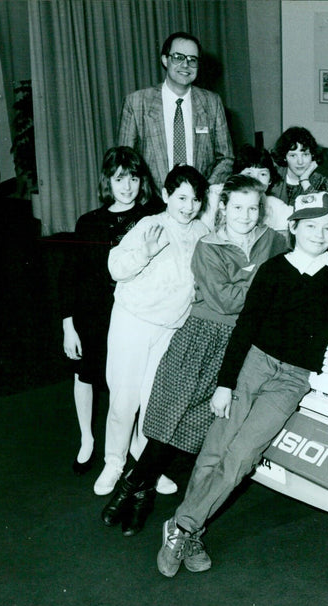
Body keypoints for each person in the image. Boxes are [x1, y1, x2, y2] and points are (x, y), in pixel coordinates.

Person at [155, 191, 328, 577]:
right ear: (294, 227)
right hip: (254, 363)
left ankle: (181, 526)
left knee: (242, 457)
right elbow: (245, 328)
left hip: (293, 379)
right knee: (216, 448)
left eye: (327, 227)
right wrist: (224, 383)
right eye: (311, 226)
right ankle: (194, 531)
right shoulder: (274, 270)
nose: (320, 234)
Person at [99, 174, 286, 536]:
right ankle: (134, 487)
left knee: (196, 425)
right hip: (196, 334)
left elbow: (287, 272)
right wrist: (262, 282)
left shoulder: (272, 241)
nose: (245, 216)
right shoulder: (209, 243)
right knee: (167, 412)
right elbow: (224, 299)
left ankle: (135, 490)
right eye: (237, 208)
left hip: (238, 342)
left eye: (252, 208)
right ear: (224, 209)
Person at [94, 165, 209, 497]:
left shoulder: (203, 231)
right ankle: (114, 462)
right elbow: (116, 267)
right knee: (125, 398)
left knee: (154, 402)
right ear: (166, 195)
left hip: (171, 327)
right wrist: (144, 252)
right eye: (182, 197)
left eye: (196, 199)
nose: (188, 206)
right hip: (134, 320)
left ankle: (146, 467)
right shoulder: (150, 224)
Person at [59, 146, 155, 475]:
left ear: (141, 181)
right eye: (119, 179)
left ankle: (131, 443)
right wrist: (68, 326)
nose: (126, 186)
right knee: (84, 375)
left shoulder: (152, 218)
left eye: (132, 178)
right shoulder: (88, 222)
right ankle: (87, 439)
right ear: (108, 182)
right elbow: (70, 277)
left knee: (131, 383)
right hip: (94, 316)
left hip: (135, 316)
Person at [118, 31, 233, 191]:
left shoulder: (212, 103)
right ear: (165, 59)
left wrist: (202, 190)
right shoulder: (137, 102)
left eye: (192, 60)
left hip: (199, 201)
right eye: (178, 57)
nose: (186, 65)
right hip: (152, 205)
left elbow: (226, 158)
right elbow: (125, 161)